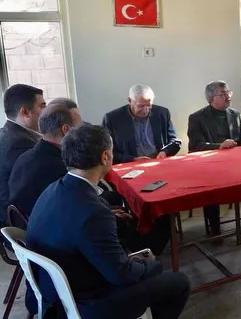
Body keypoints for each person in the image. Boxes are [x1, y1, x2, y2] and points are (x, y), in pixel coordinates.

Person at [25, 124, 190, 319]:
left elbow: (76, 223)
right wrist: (151, 265)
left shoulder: (54, 188)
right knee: (178, 282)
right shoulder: (93, 213)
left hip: (51, 291)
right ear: (105, 157)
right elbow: (122, 275)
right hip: (86, 303)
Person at [10, 98, 171, 255]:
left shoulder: (30, 155)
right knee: (141, 209)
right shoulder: (59, 165)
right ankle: (145, 251)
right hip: (60, 241)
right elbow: (77, 208)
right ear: (66, 130)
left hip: (40, 230)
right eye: (80, 126)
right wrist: (107, 213)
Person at [187, 81, 241, 235]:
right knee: (210, 185)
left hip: (235, 162)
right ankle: (214, 225)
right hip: (210, 165)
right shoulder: (197, 118)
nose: (228, 96)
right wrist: (219, 146)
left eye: (228, 92)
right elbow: (196, 146)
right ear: (211, 99)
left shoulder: (235, 114)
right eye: (222, 94)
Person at [9, 100, 82, 217]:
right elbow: (81, 203)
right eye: (79, 127)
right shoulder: (59, 168)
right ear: (66, 130)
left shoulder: (24, 157)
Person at [0, 84, 45, 226]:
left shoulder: (7, 133)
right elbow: (32, 190)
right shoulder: (20, 143)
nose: (46, 112)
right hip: (19, 221)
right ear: (25, 111)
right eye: (42, 106)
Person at [102, 84, 181, 163]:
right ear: (129, 100)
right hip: (130, 164)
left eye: (149, 105)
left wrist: (165, 152)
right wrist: (132, 159)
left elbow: (175, 141)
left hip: (158, 162)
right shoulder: (112, 119)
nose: (145, 110)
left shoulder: (162, 113)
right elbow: (106, 152)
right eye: (141, 106)